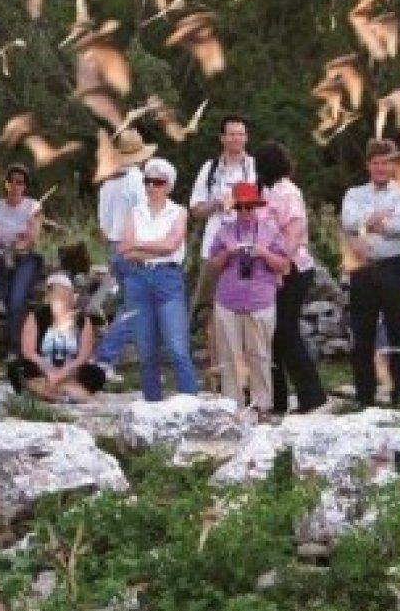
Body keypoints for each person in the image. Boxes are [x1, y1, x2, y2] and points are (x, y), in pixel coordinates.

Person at [110, 157, 200, 399]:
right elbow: (123, 250)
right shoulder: (135, 211)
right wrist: (149, 247)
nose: (151, 187)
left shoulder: (178, 212)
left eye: (158, 182)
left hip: (167, 278)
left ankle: (191, 403)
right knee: (146, 351)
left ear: (168, 186)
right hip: (138, 278)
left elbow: (171, 245)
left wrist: (138, 245)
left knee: (177, 347)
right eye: (148, 182)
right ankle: (152, 405)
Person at [340, 138, 400, 407]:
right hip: (363, 268)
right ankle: (365, 393)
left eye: (386, 163)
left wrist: (365, 224)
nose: (381, 168)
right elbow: (348, 221)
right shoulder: (354, 193)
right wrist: (375, 219)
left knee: (399, 331)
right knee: (362, 333)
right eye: (376, 163)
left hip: (394, 266)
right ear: (368, 165)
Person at [256, 143, 330, 416]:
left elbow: (294, 233)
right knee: (272, 335)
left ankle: (313, 396)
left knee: (286, 332)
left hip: (292, 268)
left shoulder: (287, 192)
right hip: (270, 268)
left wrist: (280, 266)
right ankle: (277, 399)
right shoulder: (265, 191)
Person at [205, 180, 287, 419]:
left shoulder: (270, 232)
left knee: (260, 354)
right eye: (239, 207)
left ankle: (262, 406)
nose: (244, 212)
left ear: (256, 207)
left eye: (248, 207)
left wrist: (264, 253)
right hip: (228, 299)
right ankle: (234, 406)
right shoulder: (224, 232)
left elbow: (284, 264)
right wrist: (228, 253)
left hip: (260, 300)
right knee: (229, 354)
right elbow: (213, 265)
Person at [91, 127, 156, 380]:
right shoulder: (136, 180)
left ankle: (110, 358)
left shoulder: (107, 183)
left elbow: (103, 227)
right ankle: (104, 358)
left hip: (113, 246)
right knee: (134, 307)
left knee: (124, 304)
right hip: (133, 247)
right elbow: (144, 215)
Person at [11, 272, 107, 401]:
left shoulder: (83, 320)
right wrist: (49, 370)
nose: (60, 297)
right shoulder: (36, 316)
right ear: (48, 296)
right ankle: (65, 392)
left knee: (96, 374)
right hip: (41, 368)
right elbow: (29, 351)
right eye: (55, 293)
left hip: (71, 370)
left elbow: (84, 355)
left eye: (64, 293)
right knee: (16, 369)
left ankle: (49, 390)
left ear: (71, 295)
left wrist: (62, 373)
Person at [0, 165, 45, 349]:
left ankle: (16, 348)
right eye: (12, 182)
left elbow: (34, 238)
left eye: (20, 182)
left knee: (16, 299)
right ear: (6, 184)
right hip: (2, 255)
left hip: (26, 257)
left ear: (25, 186)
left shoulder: (33, 206)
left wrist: (26, 237)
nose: (16, 186)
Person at [188, 114, 258, 261]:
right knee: (209, 284)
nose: (236, 138)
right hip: (213, 248)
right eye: (232, 134)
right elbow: (195, 211)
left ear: (246, 137)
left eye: (241, 134)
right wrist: (217, 203)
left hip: (248, 247)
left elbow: (267, 208)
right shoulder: (209, 168)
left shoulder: (256, 167)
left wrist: (242, 202)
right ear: (222, 138)